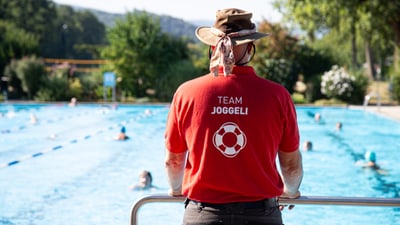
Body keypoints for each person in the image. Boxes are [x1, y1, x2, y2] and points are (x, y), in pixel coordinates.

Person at [164, 8, 303, 225]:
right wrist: (291, 191)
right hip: (261, 215)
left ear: (212, 47)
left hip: (203, 215)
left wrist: (175, 189)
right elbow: (291, 165)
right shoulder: (277, 95)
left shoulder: (186, 93)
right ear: (250, 48)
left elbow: (173, 161)